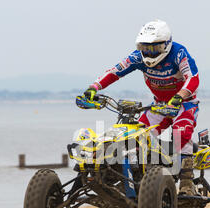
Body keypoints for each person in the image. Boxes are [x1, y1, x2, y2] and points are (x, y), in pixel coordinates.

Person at [83, 19, 200, 196]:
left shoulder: (179, 53)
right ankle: (140, 177)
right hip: (158, 105)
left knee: (181, 133)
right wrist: (94, 87)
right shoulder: (137, 57)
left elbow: (193, 78)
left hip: (183, 104)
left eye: (154, 48)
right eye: (145, 47)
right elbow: (115, 72)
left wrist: (179, 97)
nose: (149, 52)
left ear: (166, 44)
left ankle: (186, 182)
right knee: (136, 136)